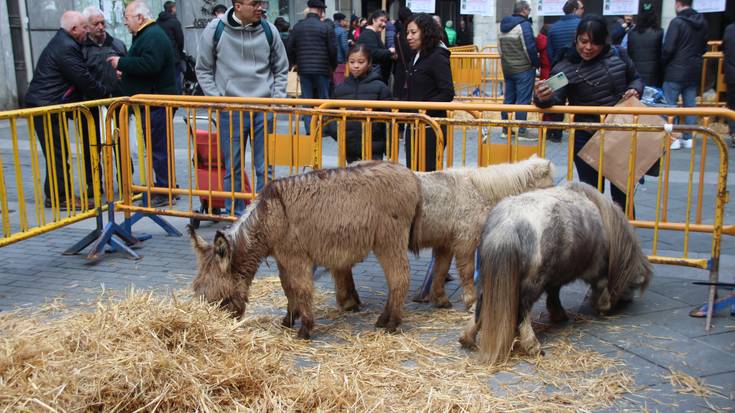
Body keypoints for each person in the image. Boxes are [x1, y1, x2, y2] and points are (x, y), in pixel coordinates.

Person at [534, 14, 643, 213]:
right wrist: (542, 96)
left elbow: (636, 78)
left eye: (595, 43)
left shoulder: (618, 55)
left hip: (619, 134)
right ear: (576, 38)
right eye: (584, 41)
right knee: (593, 195)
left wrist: (635, 89)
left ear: (605, 41)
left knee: (622, 194)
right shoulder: (565, 67)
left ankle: (625, 238)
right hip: (585, 137)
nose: (588, 48)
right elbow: (552, 98)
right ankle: (597, 239)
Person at [195, 0, 288, 215]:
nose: (260, 7)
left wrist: (276, 99)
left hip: (264, 109)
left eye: (261, 3)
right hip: (230, 110)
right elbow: (203, 69)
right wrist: (218, 99)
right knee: (233, 168)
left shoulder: (269, 29)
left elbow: (281, 68)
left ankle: (264, 215)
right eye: (254, 3)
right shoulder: (215, 30)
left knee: (265, 168)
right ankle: (235, 216)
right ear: (238, 6)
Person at [25, 11, 109, 210]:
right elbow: (82, 78)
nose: (87, 31)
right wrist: (106, 95)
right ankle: (59, 197)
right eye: (84, 27)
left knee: (58, 152)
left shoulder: (66, 43)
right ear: (73, 29)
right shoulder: (66, 47)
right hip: (45, 106)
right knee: (57, 153)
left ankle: (57, 194)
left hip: (49, 104)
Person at [107, 0, 178, 208]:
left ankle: (165, 189)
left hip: (157, 102)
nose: (125, 23)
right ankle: (165, 186)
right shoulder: (147, 35)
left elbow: (150, 65)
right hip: (153, 100)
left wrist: (121, 63)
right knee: (158, 146)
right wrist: (126, 73)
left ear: (140, 18)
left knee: (158, 148)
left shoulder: (152, 35)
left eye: (127, 18)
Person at [81, 6, 128, 195]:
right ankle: (93, 184)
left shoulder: (116, 44)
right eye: (96, 24)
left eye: (103, 23)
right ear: (87, 26)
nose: (101, 27)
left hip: (115, 102)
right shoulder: (82, 48)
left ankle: (126, 181)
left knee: (121, 143)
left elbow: (127, 65)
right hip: (91, 104)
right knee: (91, 145)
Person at [324, 44, 392, 163]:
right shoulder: (340, 88)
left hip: (374, 146)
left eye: (361, 62)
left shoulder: (380, 87)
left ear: (369, 63)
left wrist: (385, 141)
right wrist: (339, 134)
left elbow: (389, 117)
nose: (356, 66)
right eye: (352, 62)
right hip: (349, 146)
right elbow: (330, 115)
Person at [405, 13, 454, 172]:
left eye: (413, 32)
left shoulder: (438, 56)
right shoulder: (417, 55)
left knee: (427, 172)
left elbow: (447, 92)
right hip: (414, 124)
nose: (409, 37)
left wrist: (424, 110)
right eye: (407, 33)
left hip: (430, 126)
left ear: (425, 32)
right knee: (412, 170)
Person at [662, 0, 708, 150]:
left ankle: (673, 138)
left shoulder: (677, 22)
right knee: (690, 105)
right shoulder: (702, 22)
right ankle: (689, 138)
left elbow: (668, 48)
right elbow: (704, 47)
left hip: (675, 70)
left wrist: (663, 63)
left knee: (670, 105)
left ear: (677, 4)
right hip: (693, 70)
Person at [288, 0, 336, 132]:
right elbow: (332, 50)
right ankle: (323, 128)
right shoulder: (326, 27)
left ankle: (310, 129)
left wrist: (294, 63)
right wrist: (333, 66)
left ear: (309, 9)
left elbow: (290, 46)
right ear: (321, 11)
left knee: (307, 100)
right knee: (324, 99)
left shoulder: (298, 26)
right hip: (322, 69)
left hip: (304, 69)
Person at [498, 0, 539, 140]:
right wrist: (535, 64)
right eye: (529, 10)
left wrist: (506, 64)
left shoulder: (502, 26)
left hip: (508, 69)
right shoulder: (524, 25)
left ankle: (505, 130)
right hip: (524, 69)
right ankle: (522, 132)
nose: (530, 12)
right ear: (524, 10)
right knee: (523, 100)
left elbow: (500, 50)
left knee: (508, 99)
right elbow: (530, 48)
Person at [626, 10, 663, 87]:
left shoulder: (631, 33)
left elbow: (625, 51)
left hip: (635, 74)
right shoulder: (660, 32)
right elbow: (665, 52)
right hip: (654, 74)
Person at [356, 10, 394, 85]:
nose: (384, 24)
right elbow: (373, 53)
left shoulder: (371, 33)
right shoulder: (368, 34)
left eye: (385, 22)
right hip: (372, 79)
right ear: (373, 20)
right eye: (381, 20)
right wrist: (390, 51)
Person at [157, 1, 185, 93]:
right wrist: (179, 53)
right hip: (174, 56)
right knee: (176, 79)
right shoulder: (174, 22)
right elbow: (180, 40)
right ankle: (177, 102)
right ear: (172, 8)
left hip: (161, 57)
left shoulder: (157, 22)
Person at [547, 0, 583, 65]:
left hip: (559, 67)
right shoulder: (583, 24)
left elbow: (550, 53)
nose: (583, 11)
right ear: (574, 10)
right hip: (579, 66)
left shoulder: (553, 27)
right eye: (581, 8)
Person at [392, 6, 414, 101]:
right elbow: (409, 54)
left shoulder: (398, 33)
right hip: (410, 68)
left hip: (400, 68)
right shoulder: (410, 34)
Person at [723, 22, 735, 147]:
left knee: (732, 105)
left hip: (731, 73)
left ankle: (734, 132)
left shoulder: (729, 29)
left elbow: (724, 47)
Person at [333, 12, 349, 85]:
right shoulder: (342, 31)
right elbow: (344, 46)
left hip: (332, 60)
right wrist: (348, 57)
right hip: (340, 60)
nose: (346, 22)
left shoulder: (330, 29)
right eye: (345, 20)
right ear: (341, 21)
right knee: (341, 81)